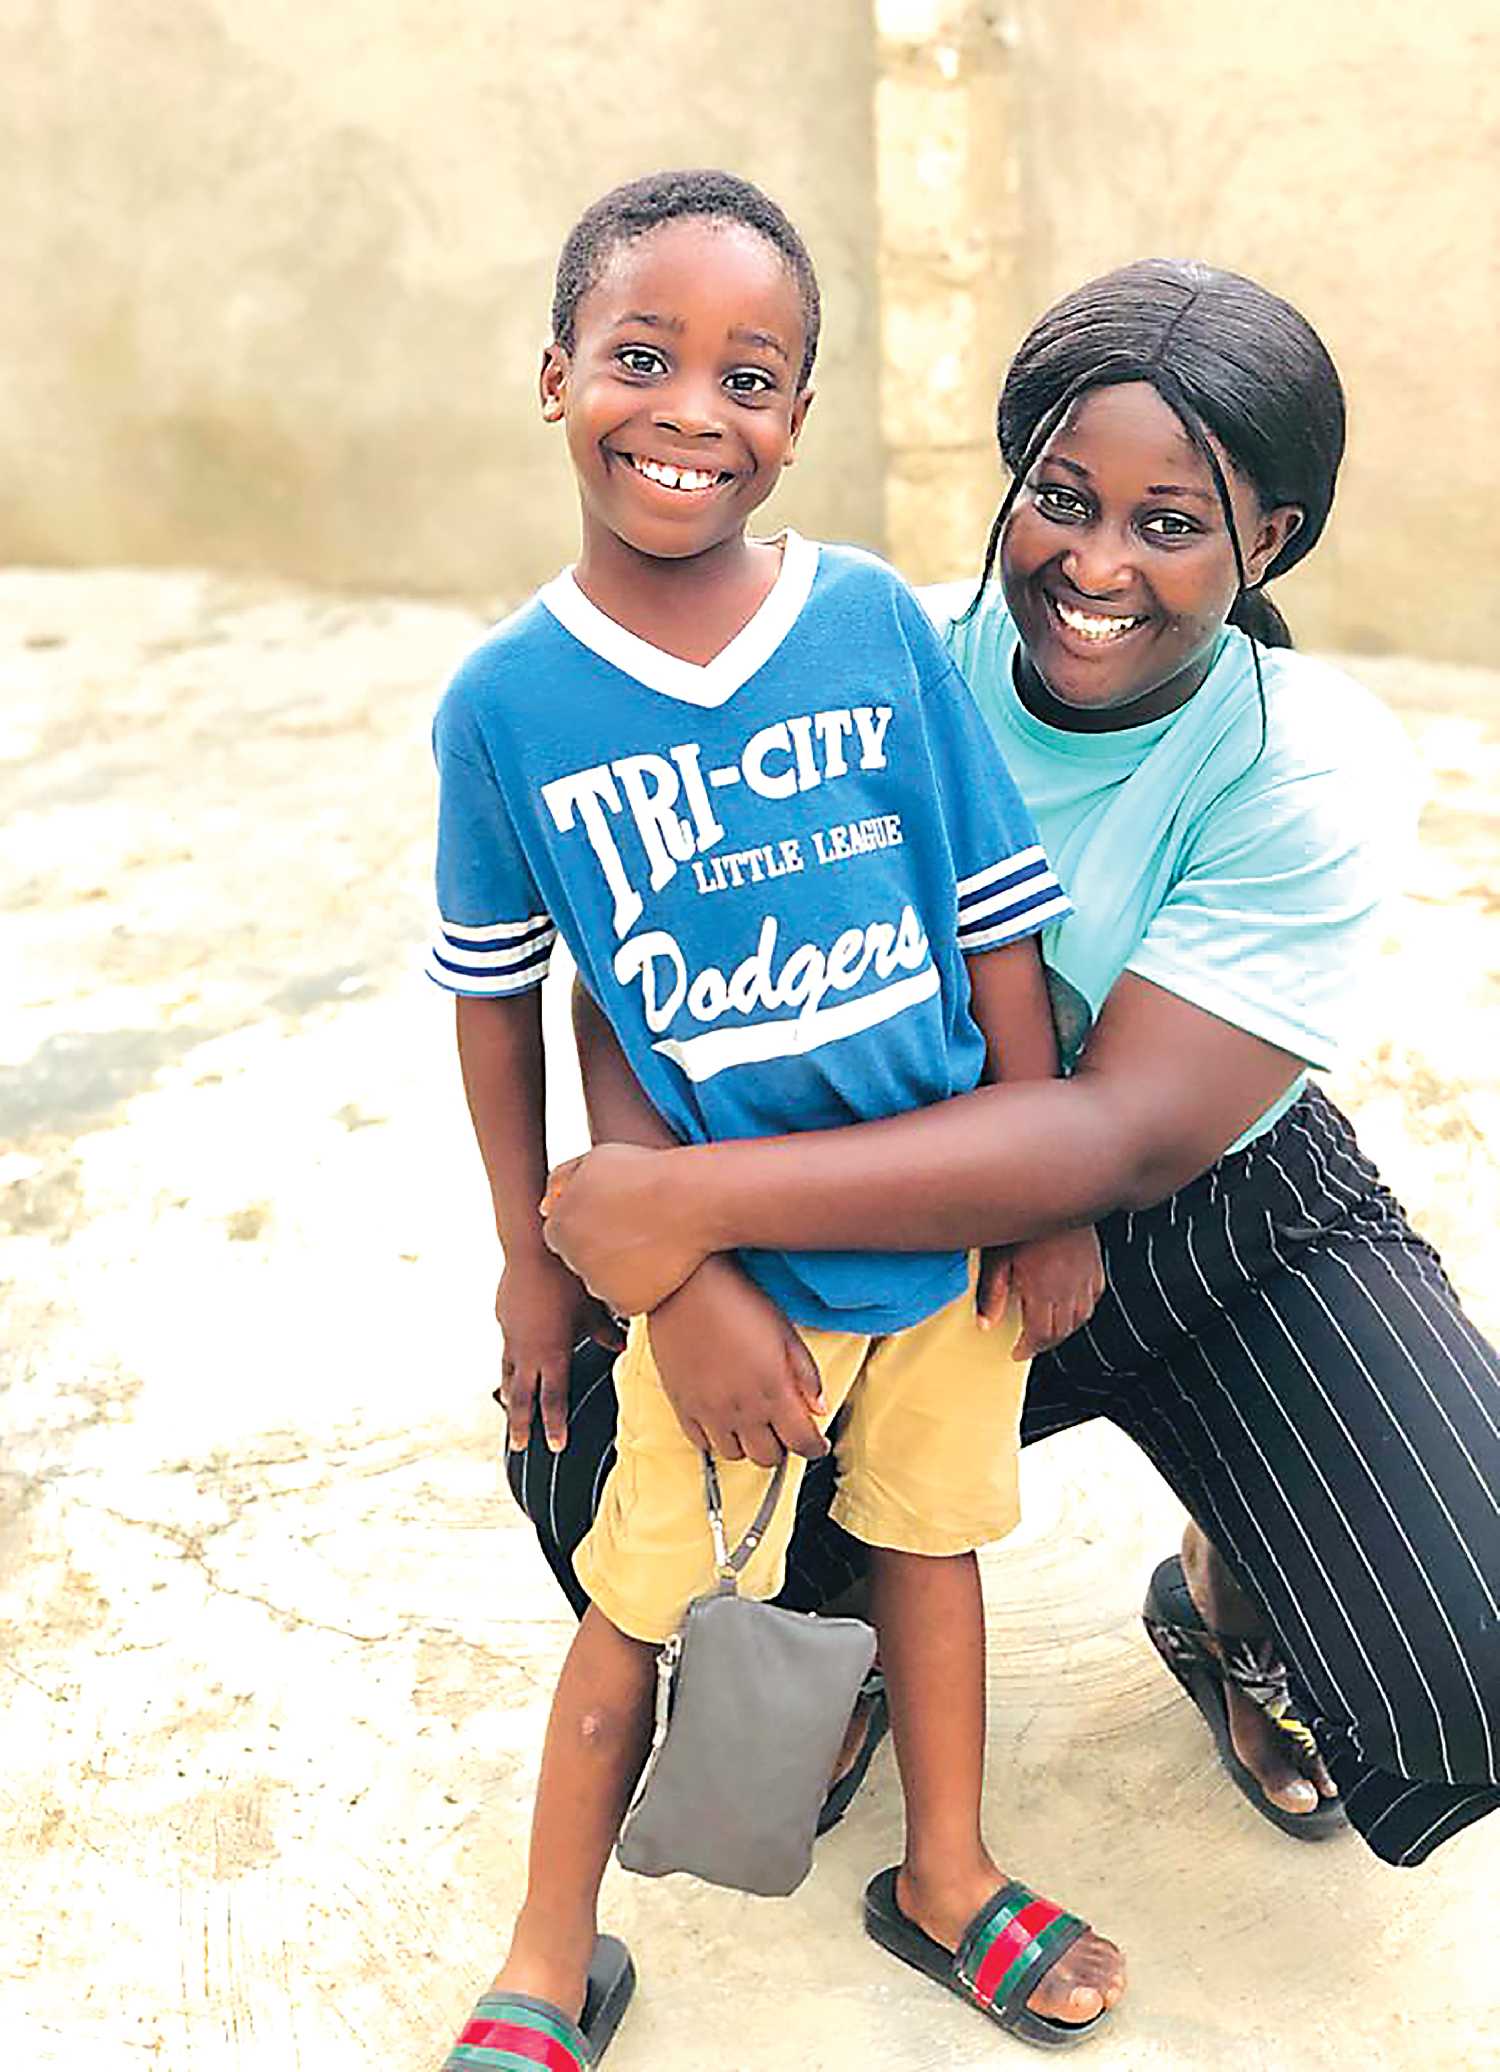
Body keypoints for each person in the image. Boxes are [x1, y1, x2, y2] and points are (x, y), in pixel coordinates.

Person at [535, 258, 1500, 1891]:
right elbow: (639, 959)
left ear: (1271, 541)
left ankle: (1238, 1587)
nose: (1095, 563)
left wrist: (673, 1205)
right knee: (582, 1464)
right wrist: (691, 1282)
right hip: (891, 1203)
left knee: (1468, 1672)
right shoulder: (863, 659)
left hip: (1222, 1213)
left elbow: (1121, 1135)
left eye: (1174, 523)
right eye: (1061, 498)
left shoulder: (1308, 764)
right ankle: (837, 1621)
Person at [430, 170, 1128, 2070]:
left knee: (933, 1560)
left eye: (751, 376)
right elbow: (523, 1005)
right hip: (727, 1274)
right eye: (642, 358)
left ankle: (949, 1873)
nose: (692, 412)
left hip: (949, 1261)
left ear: (797, 420)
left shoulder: (876, 626)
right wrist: (567, 1268)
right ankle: (546, 1960)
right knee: (627, 1615)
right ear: (556, 372)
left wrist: (1049, 1183)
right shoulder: (503, 706)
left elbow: (996, 928)